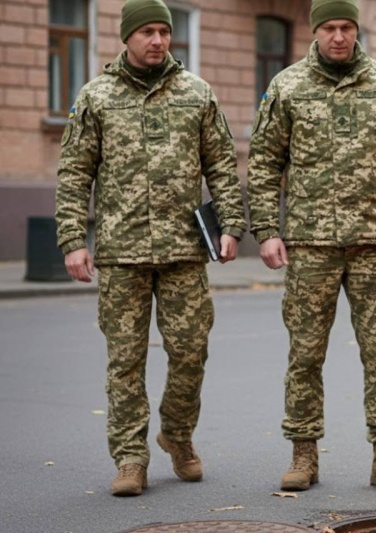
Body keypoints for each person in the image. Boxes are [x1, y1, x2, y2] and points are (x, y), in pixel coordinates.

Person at [55, 0, 246, 497]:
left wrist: (231, 226)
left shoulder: (196, 92)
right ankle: (130, 458)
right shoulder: (96, 96)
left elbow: (221, 165)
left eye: (164, 31)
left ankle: (177, 434)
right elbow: (75, 173)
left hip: (185, 251)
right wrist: (73, 240)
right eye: (148, 32)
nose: (158, 40)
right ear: (127, 37)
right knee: (125, 361)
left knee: (191, 352)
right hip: (122, 253)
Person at [247, 0, 376, 494]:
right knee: (305, 355)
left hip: (373, 243)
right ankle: (303, 454)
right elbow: (264, 163)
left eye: (347, 26)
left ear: (356, 29)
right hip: (309, 244)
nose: (339, 36)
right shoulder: (287, 86)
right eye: (329, 27)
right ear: (316, 31)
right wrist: (266, 230)